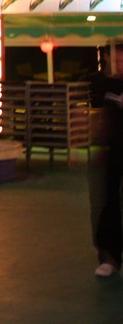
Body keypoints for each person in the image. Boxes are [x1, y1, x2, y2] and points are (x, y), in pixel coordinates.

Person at [86, 45, 123, 278]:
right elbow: (97, 116)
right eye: (116, 59)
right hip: (112, 151)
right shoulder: (100, 85)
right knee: (109, 202)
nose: (119, 64)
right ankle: (109, 256)